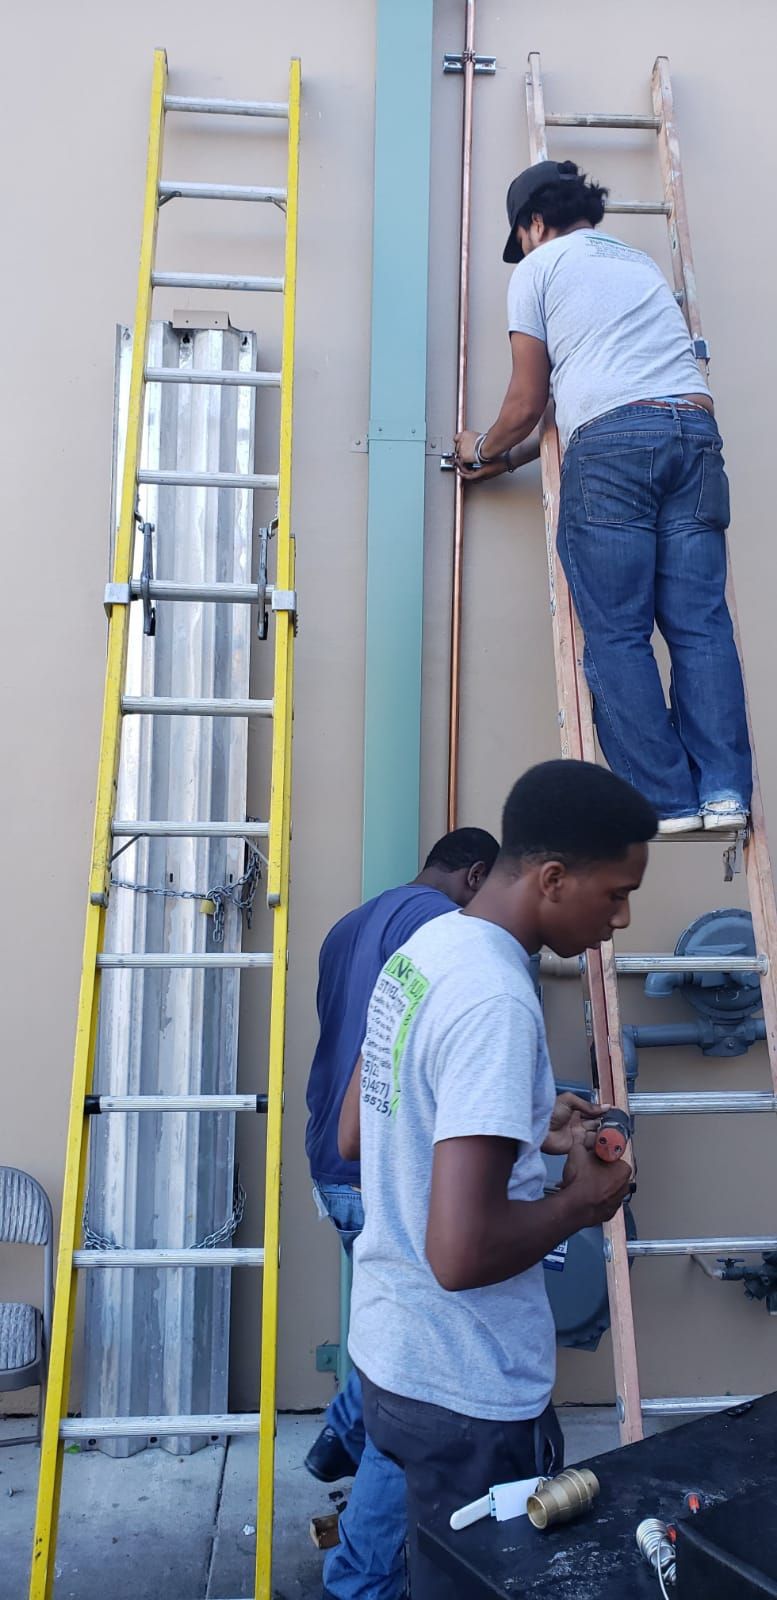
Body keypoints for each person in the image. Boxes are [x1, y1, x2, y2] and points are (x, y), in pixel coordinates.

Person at [340, 759, 657, 1600]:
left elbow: (359, 1131)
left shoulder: (427, 948)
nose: (621, 918)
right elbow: (461, 1254)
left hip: (392, 1353)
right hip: (466, 1388)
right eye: (615, 893)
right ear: (551, 879)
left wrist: (524, 1118)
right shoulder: (496, 1000)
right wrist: (580, 1202)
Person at [454, 159, 751, 835]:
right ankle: (724, 792)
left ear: (534, 222)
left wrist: (480, 450)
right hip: (693, 435)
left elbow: (528, 401)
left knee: (617, 632)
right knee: (700, 626)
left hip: (614, 449)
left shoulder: (538, 268)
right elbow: (597, 395)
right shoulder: (637, 263)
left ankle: (666, 799)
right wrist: (514, 456)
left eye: (521, 235)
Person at [305, 826, 500, 1600]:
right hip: (384, 1171)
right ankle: (360, 1580)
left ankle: (342, 1433)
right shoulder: (442, 930)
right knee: (418, 1392)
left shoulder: (347, 927)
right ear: (474, 876)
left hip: (333, 1165)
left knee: (390, 1342)